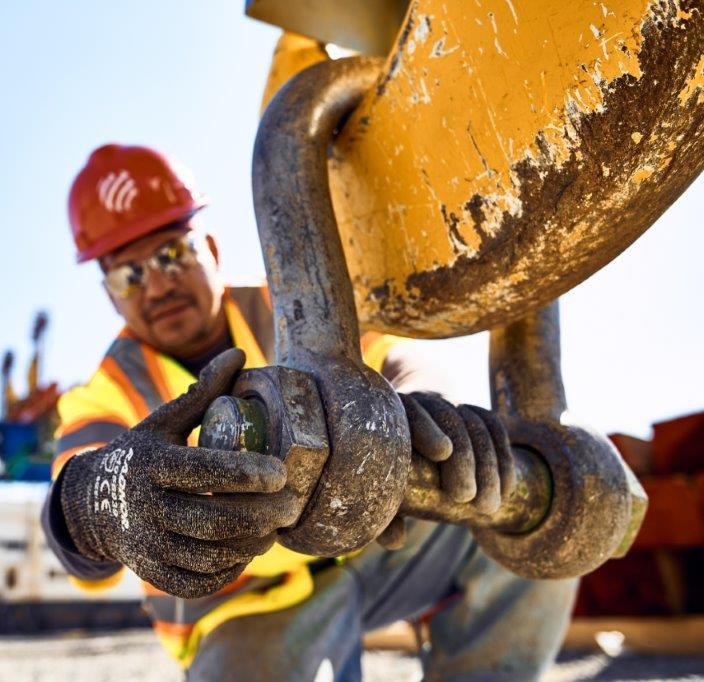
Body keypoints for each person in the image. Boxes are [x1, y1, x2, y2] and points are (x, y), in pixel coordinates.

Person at [41, 144, 577, 681]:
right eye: (127, 276)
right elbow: (75, 501)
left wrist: (417, 400)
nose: (156, 285)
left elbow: (391, 357)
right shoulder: (109, 389)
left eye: (170, 255)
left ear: (210, 248)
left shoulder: (294, 305)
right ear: (110, 296)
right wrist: (99, 503)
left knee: (533, 503)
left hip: (367, 546)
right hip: (245, 604)